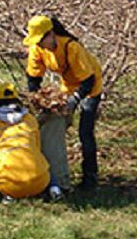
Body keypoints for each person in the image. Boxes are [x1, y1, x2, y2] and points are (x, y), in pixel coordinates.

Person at [23, 14, 103, 190]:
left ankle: (90, 179)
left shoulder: (71, 47)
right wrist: (36, 98)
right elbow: (33, 77)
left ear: (51, 34)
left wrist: (74, 100)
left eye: (41, 40)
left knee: (85, 133)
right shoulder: (37, 49)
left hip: (90, 87)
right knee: (52, 123)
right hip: (68, 86)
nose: (38, 44)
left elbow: (88, 80)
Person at [0, 83, 61, 201]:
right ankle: (55, 189)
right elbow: (37, 147)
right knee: (41, 160)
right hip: (39, 182)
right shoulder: (30, 119)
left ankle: (9, 195)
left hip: (8, 183)